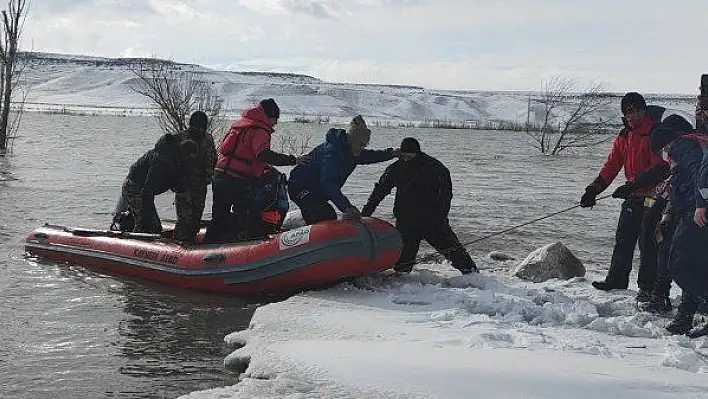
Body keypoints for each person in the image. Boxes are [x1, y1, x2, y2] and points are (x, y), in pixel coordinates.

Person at [580, 92, 670, 301]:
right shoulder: (623, 136)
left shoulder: (656, 133)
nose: (631, 116)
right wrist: (594, 189)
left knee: (649, 244)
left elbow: (660, 168)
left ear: (643, 111)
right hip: (633, 195)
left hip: (655, 196)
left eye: (635, 111)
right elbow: (611, 166)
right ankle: (617, 279)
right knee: (623, 239)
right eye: (627, 112)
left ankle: (647, 288)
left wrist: (631, 185)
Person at [361, 137, 478, 275]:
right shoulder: (395, 168)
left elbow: (446, 195)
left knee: (453, 250)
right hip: (406, 221)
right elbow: (379, 191)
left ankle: (473, 275)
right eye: (403, 156)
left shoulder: (435, 168)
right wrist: (366, 213)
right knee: (402, 266)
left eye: (410, 156)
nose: (406, 159)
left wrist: (441, 216)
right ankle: (403, 281)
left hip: (433, 221)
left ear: (417, 153)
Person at [203, 99, 308, 244]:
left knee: (219, 215)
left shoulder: (241, 125)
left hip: (220, 175)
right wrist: (293, 160)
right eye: (275, 119)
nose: (275, 123)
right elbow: (263, 155)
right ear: (269, 117)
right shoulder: (260, 130)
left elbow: (236, 151)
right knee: (250, 217)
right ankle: (248, 246)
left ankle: (209, 245)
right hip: (237, 180)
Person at [649, 118, 708, 337]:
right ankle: (684, 317)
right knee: (698, 265)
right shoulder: (694, 143)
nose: (664, 158)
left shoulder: (682, 146)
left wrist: (699, 205)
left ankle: (694, 311)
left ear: (666, 144)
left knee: (678, 264)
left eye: (661, 152)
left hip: (694, 214)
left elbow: (699, 174)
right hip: (693, 211)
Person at [288, 115, 399, 225]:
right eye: (360, 145)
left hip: (317, 189)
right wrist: (347, 207)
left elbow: (372, 156)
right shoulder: (333, 154)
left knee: (325, 212)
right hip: (299, 186)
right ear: (351, 140)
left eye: (364, 145)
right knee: (325, 214)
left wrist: (392, 153)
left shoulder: (353, 152)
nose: (362, 148)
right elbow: (328, 183)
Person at [640, 115, 694, 314]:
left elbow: (684, 182)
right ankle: (661, 295)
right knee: (667, 248)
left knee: (676, 252)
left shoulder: (686, 151)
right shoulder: (683, 152)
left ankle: (665, 298)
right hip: (679, 207)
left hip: (687, 209)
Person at [115, 134, 198, 233]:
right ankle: (138, 233)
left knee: (153, 223)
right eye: (189, 158)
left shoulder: (177, 163)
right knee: (149, 224)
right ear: (183, 155)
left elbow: (179, 187)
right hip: (134, 188)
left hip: (145, 190)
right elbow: (147, 192)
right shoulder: (161, 163)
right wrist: (148, 218)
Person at [173, 111, 218, 244]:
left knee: (196, 218)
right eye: (196, 127)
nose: (199, 130)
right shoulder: (180, 138)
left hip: (201, 184)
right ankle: (181, 241)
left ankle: (190, 238)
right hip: (184, 185)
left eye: (201, 127)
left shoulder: (208, 139)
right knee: (185, 217)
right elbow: (171, 162)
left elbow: (213, 158)